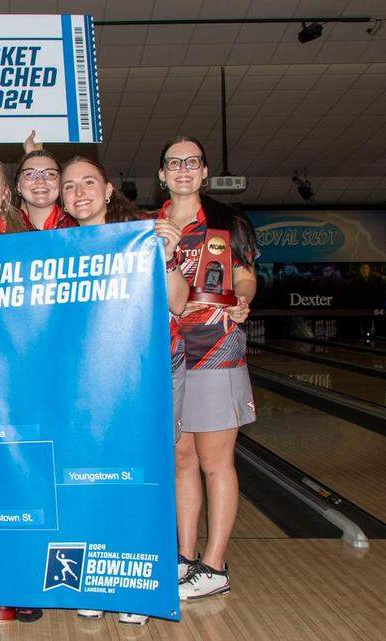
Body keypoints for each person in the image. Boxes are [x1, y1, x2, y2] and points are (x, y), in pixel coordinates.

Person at [59, 154, 189, 625]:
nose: (79, 193)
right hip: (83, 384)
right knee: (87, 478)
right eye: (69, 186)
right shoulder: (55, 244)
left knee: (140, 477)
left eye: (89, 183)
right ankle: (93, 579)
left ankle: (137, 584)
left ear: (109, 189)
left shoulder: (142, 235)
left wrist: (169, 255)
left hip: (141, 376)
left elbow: (177, 303)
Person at [153, 135, 257, 602]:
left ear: (204, 171)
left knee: (216, 463)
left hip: (216, 347)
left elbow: (245, 277)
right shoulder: (146, 226)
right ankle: (183, 557)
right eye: (174, 163)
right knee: (181, 460)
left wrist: (244, 303)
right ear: (161, 174)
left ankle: (214, 565)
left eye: (191, 162)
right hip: (168, 352)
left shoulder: (226, 222)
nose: (182, 169)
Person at [14, 150, 77, 231]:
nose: (40, 181)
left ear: (61, 183)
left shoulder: (79, 226)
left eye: (50, 174)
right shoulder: (6, 230)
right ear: (18, 185)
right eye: (30, 174)